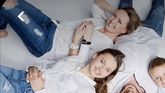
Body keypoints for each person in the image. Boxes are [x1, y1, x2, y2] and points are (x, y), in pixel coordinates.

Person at [93, 0, 165, 93]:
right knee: (159, 7)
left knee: (125, 4)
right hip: (152, 32)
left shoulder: (108, 86)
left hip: (125, 30)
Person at [0, 0, 140, 62]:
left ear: (125, 30)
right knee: (14, 1)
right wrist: (117, 12)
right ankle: (1, 27)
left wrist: (79, 38)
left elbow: (77, 61)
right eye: (114, 16)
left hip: (46, 44)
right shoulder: (102, 20)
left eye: (119, 22)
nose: (113, 20)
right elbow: (98, 2)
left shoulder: (105, 47)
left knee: (8, 5)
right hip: (51, 23)